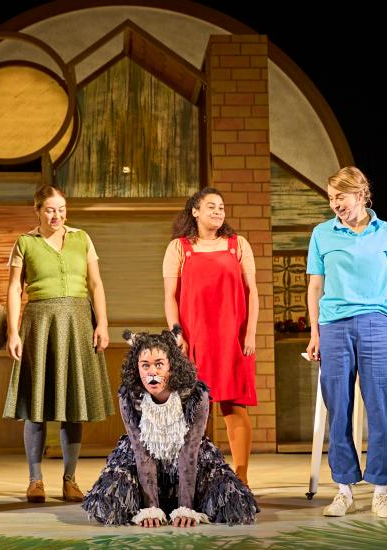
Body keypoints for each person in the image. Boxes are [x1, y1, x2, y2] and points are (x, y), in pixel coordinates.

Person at [304, 166, 387, 519]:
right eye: (331, 198)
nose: (335, 204)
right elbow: (315, 287)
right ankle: (344, 489)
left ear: (361, 195)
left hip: (377, 324)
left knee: (381, 405)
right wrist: (315, 333)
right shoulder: (322, 234)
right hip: (333, 326)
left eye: (341, 197)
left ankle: (381, 490)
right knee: (339, 409)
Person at [3, 185, 115, 504]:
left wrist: (103, 323)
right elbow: (14, 289)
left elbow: (95, 283)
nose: (57, 215)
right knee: (36, 408)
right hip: (39, 323)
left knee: (73, 405)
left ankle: (70, 479)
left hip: (79, 321)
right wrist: (13, 331)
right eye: (50, 209)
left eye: (62, 208)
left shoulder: (82, 238)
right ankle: (35, 480)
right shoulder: (25, 242)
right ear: (37, 210)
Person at [82, 326, 258, 526]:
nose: (152, 372)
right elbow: (141, 451)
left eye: (159, 364)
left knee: (232, 501)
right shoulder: (129, 397)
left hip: (189, 461)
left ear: (171, 366)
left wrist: (186, 508)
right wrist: (151, 509)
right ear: (136, 367)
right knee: (110, 500)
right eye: (145, 365)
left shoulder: (196, 396)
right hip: (144, 460)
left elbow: (189, 451)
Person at [162, 187, 258, 486]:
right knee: (193, 409)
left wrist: (251, 331)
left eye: (222, 207)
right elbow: (170, 296)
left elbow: (252, 291)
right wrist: (177, 333)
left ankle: (241, 477)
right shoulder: (179, 248)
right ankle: (193, 477)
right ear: (195, 211)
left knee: (234, 407)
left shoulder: (237, 244)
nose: (218, 212)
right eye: (211, 207)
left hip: (233, 337)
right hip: (195, 337)